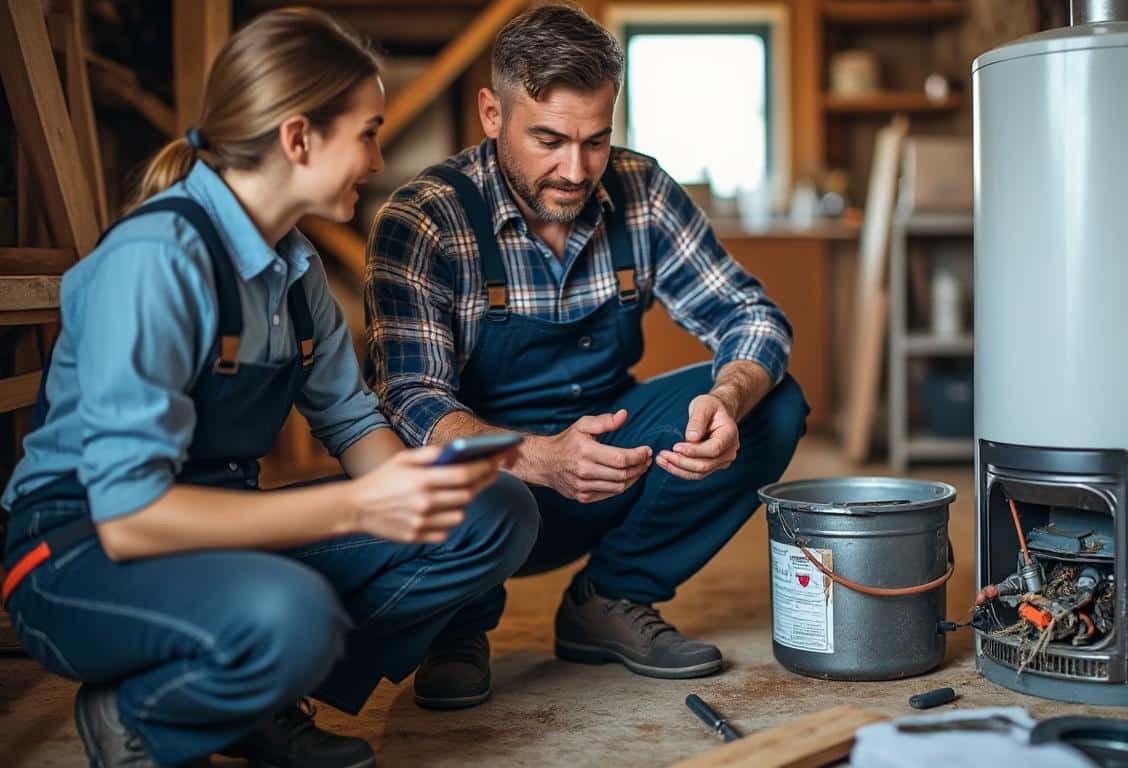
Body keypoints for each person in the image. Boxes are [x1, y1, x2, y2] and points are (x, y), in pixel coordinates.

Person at [0, 9, 538, 767]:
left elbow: (353, 423)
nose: (378, 159)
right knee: (293, 616)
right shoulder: (156, 259)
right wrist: (360, 507)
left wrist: (427, 489)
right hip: (78, 555)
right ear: (298, 138)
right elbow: (129, 518)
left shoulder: (295, 268)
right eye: (368, 134)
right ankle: (145, 708)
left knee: (495, 513)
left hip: (223, 531)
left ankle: (253, 700)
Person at [365, 3, 808, 708]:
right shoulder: (424, 220)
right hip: (490, 491)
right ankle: (457, 626)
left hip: (611, 464)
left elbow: (750, 316)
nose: (575, 170)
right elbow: (410, 398)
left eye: (596, 141)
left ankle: (610, 597)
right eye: (548, 139)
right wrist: (538, 457)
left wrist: (727, 398)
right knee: (452, 465)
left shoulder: (641, 188)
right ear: (491, 114)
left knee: (773, 403)